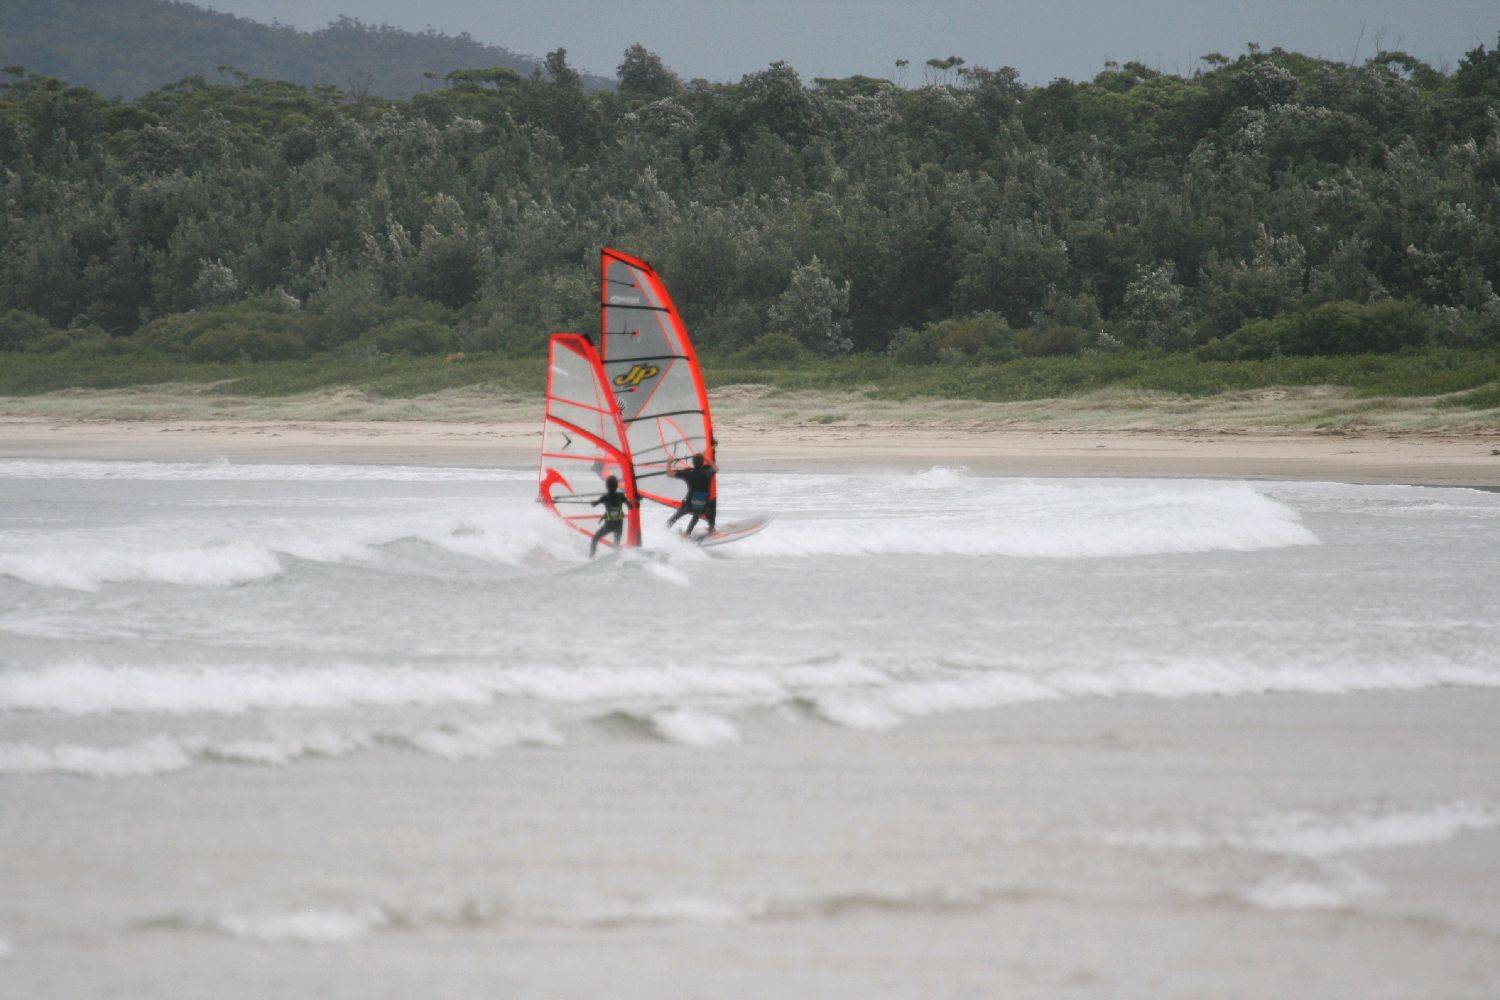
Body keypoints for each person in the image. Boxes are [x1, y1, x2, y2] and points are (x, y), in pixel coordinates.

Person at [667, 452, 716, 536]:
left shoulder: (688, 473)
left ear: (693, 463)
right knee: (698, 512)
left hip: (688, 506)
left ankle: (665, 529)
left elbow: (670, 473)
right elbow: (716, 468)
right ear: (702, 462)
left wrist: (669, 463)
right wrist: (706, 458)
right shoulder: (707, 472)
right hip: (703, 507)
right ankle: (690, 532)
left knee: (677, 515)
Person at [589, 475, 631, 557]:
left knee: (595, 538)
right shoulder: (621, 496)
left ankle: (591, 557)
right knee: (616, 546)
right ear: (617, 486)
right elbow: (630, 507)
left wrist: (593, 502)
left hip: (609, 526)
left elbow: (594, 504)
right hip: (619, 525)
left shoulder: (604, 497)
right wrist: (630, 500)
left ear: (606, 486)